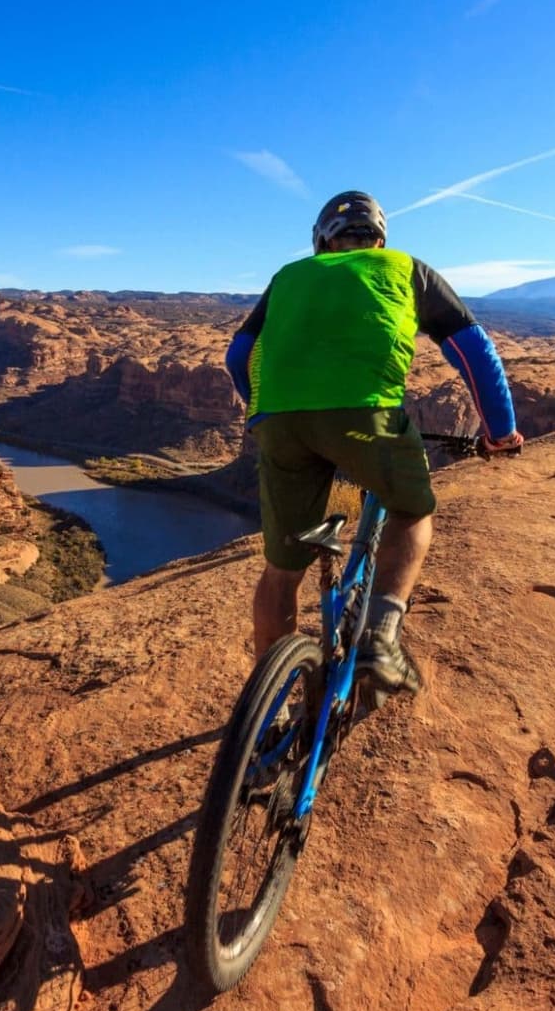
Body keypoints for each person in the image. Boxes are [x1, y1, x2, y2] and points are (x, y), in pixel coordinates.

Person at [224, 190, 523, 694]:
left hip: (277, 422)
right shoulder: (406, 269)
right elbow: (475, 351)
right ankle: (381, 638)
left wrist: (265, 409)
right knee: (412, 510)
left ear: (322, 239)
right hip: (367, 417)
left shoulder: (288, 277)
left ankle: (270, 706)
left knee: (281, 571)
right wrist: (499, 433)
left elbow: (238, 354)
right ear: (380, 238)